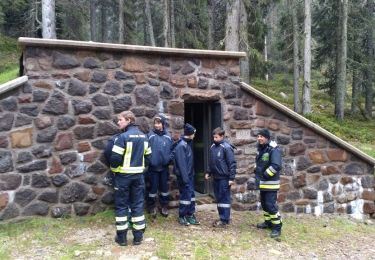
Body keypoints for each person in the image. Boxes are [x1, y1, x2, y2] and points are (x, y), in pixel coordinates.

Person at [110, 111, 151, 246]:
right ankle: (138, 237)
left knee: (122, 206)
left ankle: (121, 239)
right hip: (138, 177)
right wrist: (141, 170)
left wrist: (115, 170)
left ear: (128, 120)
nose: (118, 122)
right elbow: (149, 157)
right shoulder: (144, 137)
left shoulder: (122, 137)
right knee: (137, 205)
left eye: (120, 120)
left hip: (123, 177)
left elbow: (115, 158)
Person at [205, 127, 237, 228]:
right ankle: (222, 217)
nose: (214, 139)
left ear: (222, 136)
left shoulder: (226, 148)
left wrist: (231, 178)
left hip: (224, 178)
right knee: (219, 198)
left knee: (224, 198)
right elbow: (211, 162)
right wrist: (208, 172)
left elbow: (232, 164)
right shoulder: (212, 147)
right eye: (214, 137)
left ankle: (224, 219)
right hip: (216, 177)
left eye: (216, 137)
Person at [254, 128, 283, 238]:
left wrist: (265, 174)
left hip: (270, 183)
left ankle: (277, 227)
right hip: (263, 183)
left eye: (261, 136)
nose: (259, 138)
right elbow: (261, 162)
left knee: (270, 205)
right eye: (258, 136)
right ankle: (268, 222)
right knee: (264, 205)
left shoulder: (273, 149)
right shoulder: (262, 148)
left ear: (266, 137)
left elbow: (276, 165)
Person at [172, 123, 200, 226]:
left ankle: (190, 214)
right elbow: (182, 164)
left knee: (191, 196)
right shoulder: (181, 146)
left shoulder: (188, 143)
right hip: (185, 177)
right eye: (194, 133)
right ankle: (182, 216)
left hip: (190, 176)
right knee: (185, 196)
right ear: (191, 134)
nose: (194, 135)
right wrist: (185, 179)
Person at [146, 114, 173, 218]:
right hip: (153, 168)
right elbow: (146, 151)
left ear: (163, 124)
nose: (157, 125)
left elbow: (172, 151)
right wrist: (150, 161)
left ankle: (164, 206)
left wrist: (168, 159)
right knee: (152, 189)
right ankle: (151, 207)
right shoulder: (150, 136)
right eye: (155, 123)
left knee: (164, 189)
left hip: (164, 168)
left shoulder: (168, 137)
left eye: (159, 123)